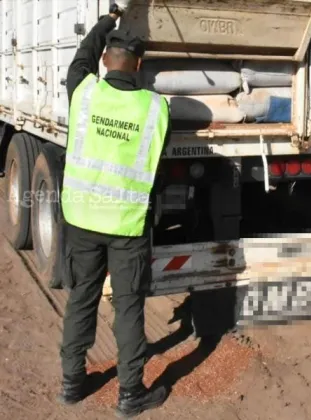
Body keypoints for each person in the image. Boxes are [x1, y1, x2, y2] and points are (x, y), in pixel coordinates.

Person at [56, 2, 170, 417]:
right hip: (127, 224)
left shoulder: (83, 92)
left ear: (106, 60)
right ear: (139, 65)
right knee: (128, 307)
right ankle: (130, 395)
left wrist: (109, 19)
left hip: (83, 220)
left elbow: (80, 57)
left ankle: (71, 385)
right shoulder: (157, 111)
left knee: (81, 298)